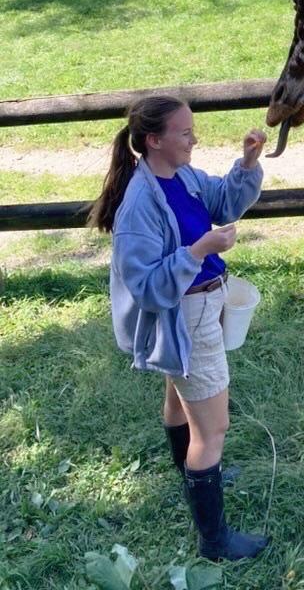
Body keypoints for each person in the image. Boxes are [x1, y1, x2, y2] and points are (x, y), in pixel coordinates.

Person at [89, 94, 269, 562]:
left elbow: (225, 199)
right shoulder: (139, 206)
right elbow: (146, 285)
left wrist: (247, 164)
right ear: (154, 140)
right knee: (213, 430)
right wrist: (197, 250)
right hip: (185, 313)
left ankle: (188, 473)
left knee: (179, 395)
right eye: (185, 133)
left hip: (198, 307)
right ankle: (215, 541)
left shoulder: (181, 177)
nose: (194, 139)